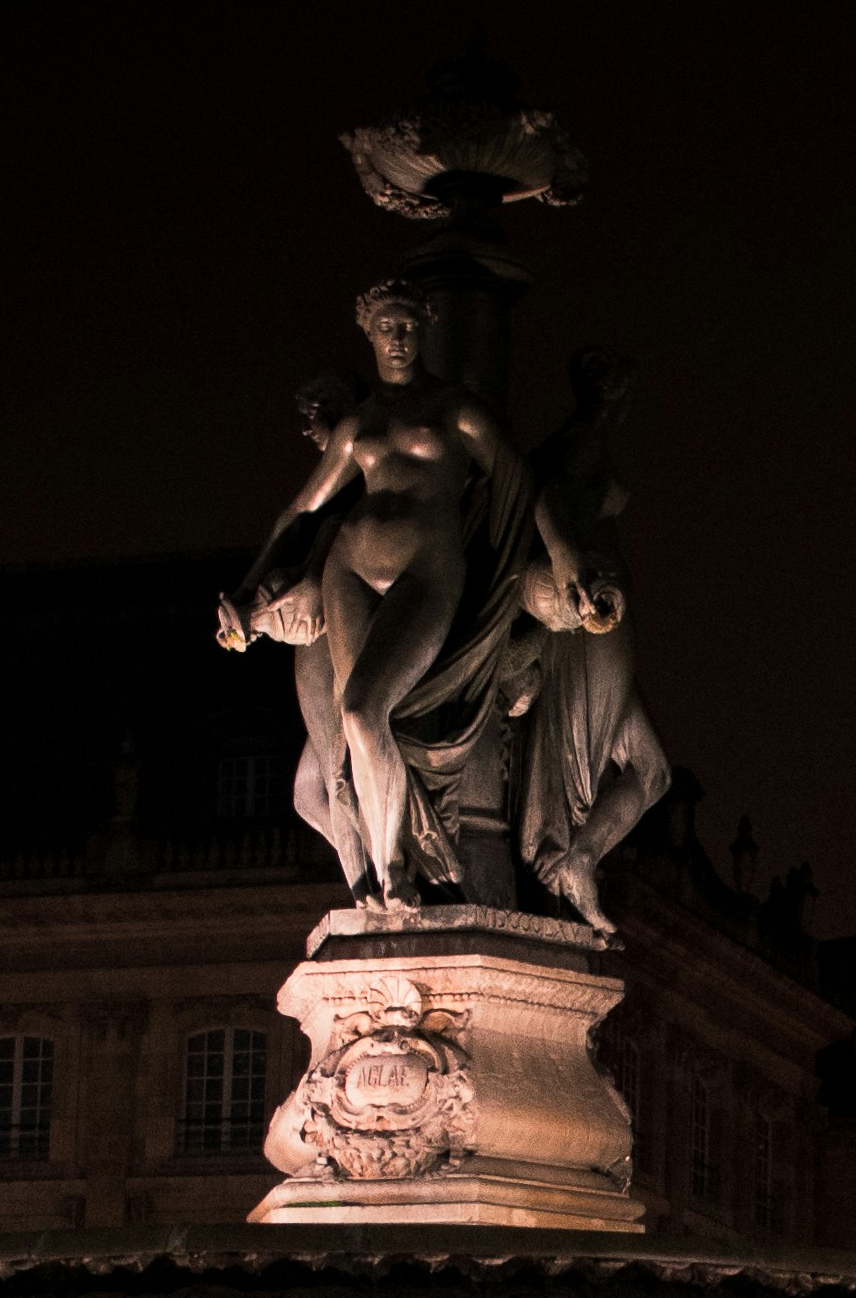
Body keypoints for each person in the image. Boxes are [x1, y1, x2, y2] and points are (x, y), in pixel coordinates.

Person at [218, 280, 619, 905]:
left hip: (427, 573)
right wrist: (246, 590)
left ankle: (399, 871)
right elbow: (301, 507)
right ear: (369, 336)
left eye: (407, 326)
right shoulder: (359, 424)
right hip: (350, 569)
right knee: (356, 730)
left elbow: (522, 482)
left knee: (362, 709)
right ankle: (386, 871)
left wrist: (565, 555)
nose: (398, 339)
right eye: (386, 329)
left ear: (425, 329)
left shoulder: (457, 409)